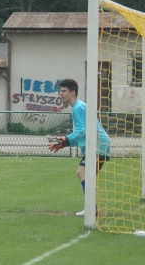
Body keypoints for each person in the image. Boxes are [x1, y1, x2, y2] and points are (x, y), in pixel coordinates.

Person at [48, 78, 112, 216]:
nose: (61, 93)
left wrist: (66, 139)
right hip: (98, 144)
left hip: (98, 144)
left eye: (64, 91)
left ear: (72, 93)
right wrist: (64, 143)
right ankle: (92, 208)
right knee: (85, 175)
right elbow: (84, 134)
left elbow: (81, 131)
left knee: (82, 173)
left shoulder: (78, 107)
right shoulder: (79, 106)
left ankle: (92, 209)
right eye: (60, 90)